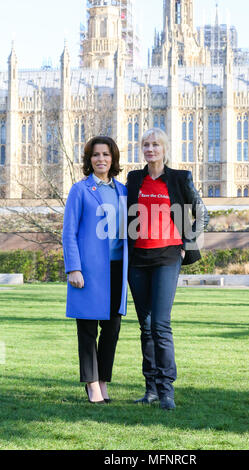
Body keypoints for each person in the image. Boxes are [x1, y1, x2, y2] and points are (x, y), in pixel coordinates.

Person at [127, 128, 209, 410]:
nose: (151, 149)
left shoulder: (178, 178)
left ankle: (166, 390)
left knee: (160, 325)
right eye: (146, 145)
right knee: (145, 327)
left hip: (167, 257)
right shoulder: (134, 179)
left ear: (165, 148)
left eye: (156, 145)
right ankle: (149, 389)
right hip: (138, 258)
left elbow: (202, 213)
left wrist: (187, 243)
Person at [62, 136, 128, 404]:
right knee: (88, 329)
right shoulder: (80, 190)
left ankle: (103, 380)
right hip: (88, 271)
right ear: (89, 160)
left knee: (112, 329)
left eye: (106, 154)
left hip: (117, 269)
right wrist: (73, 268)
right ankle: (91, 384)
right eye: (95, 155)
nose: (101, 159)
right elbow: (69, 232)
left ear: (113, 159)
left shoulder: (123, 191)